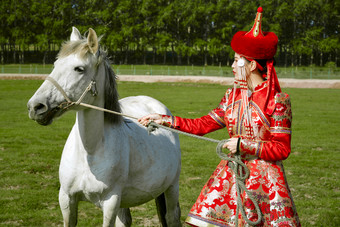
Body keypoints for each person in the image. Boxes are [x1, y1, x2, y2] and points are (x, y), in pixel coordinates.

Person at [139, 7, 300, 227]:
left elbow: (282, 149)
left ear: (252, 65)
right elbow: (203, 124)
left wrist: (245, 145)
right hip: (233, 174)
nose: (232, 66)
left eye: (237, 61)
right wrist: (164, 120)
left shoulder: (278, 101)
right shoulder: (231, 96)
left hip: (265, 184)